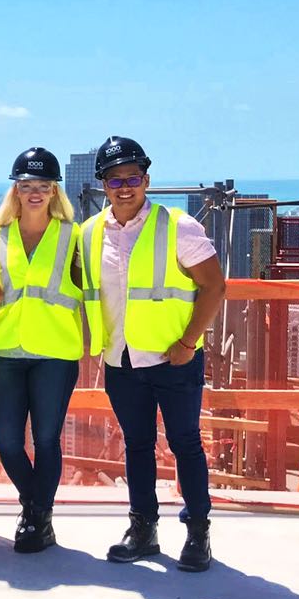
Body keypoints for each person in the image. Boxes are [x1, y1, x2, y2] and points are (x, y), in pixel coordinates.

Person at [80, 136, 226, 572]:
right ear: (103, 184)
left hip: (173, 359)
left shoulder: (178, 226)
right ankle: (142, 529)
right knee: (137, 445)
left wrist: (186, 344)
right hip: (121, 360)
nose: (125, 186)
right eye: (114, 179)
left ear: (146, 179)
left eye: (133, 177)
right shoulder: (89, 234)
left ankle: (198, 532)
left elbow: (214, 286)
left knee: (185, 444)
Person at [0, 147, 84, 553]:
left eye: (44, 186)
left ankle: (35, 521)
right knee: (7, 441)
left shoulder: (73, 236)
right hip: (7, 349)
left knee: (46, 440)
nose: (35, 192)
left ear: (55, 190)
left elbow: (95, 289)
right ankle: (38, 509)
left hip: (55, 352)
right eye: (27, 185)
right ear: (16, 190)